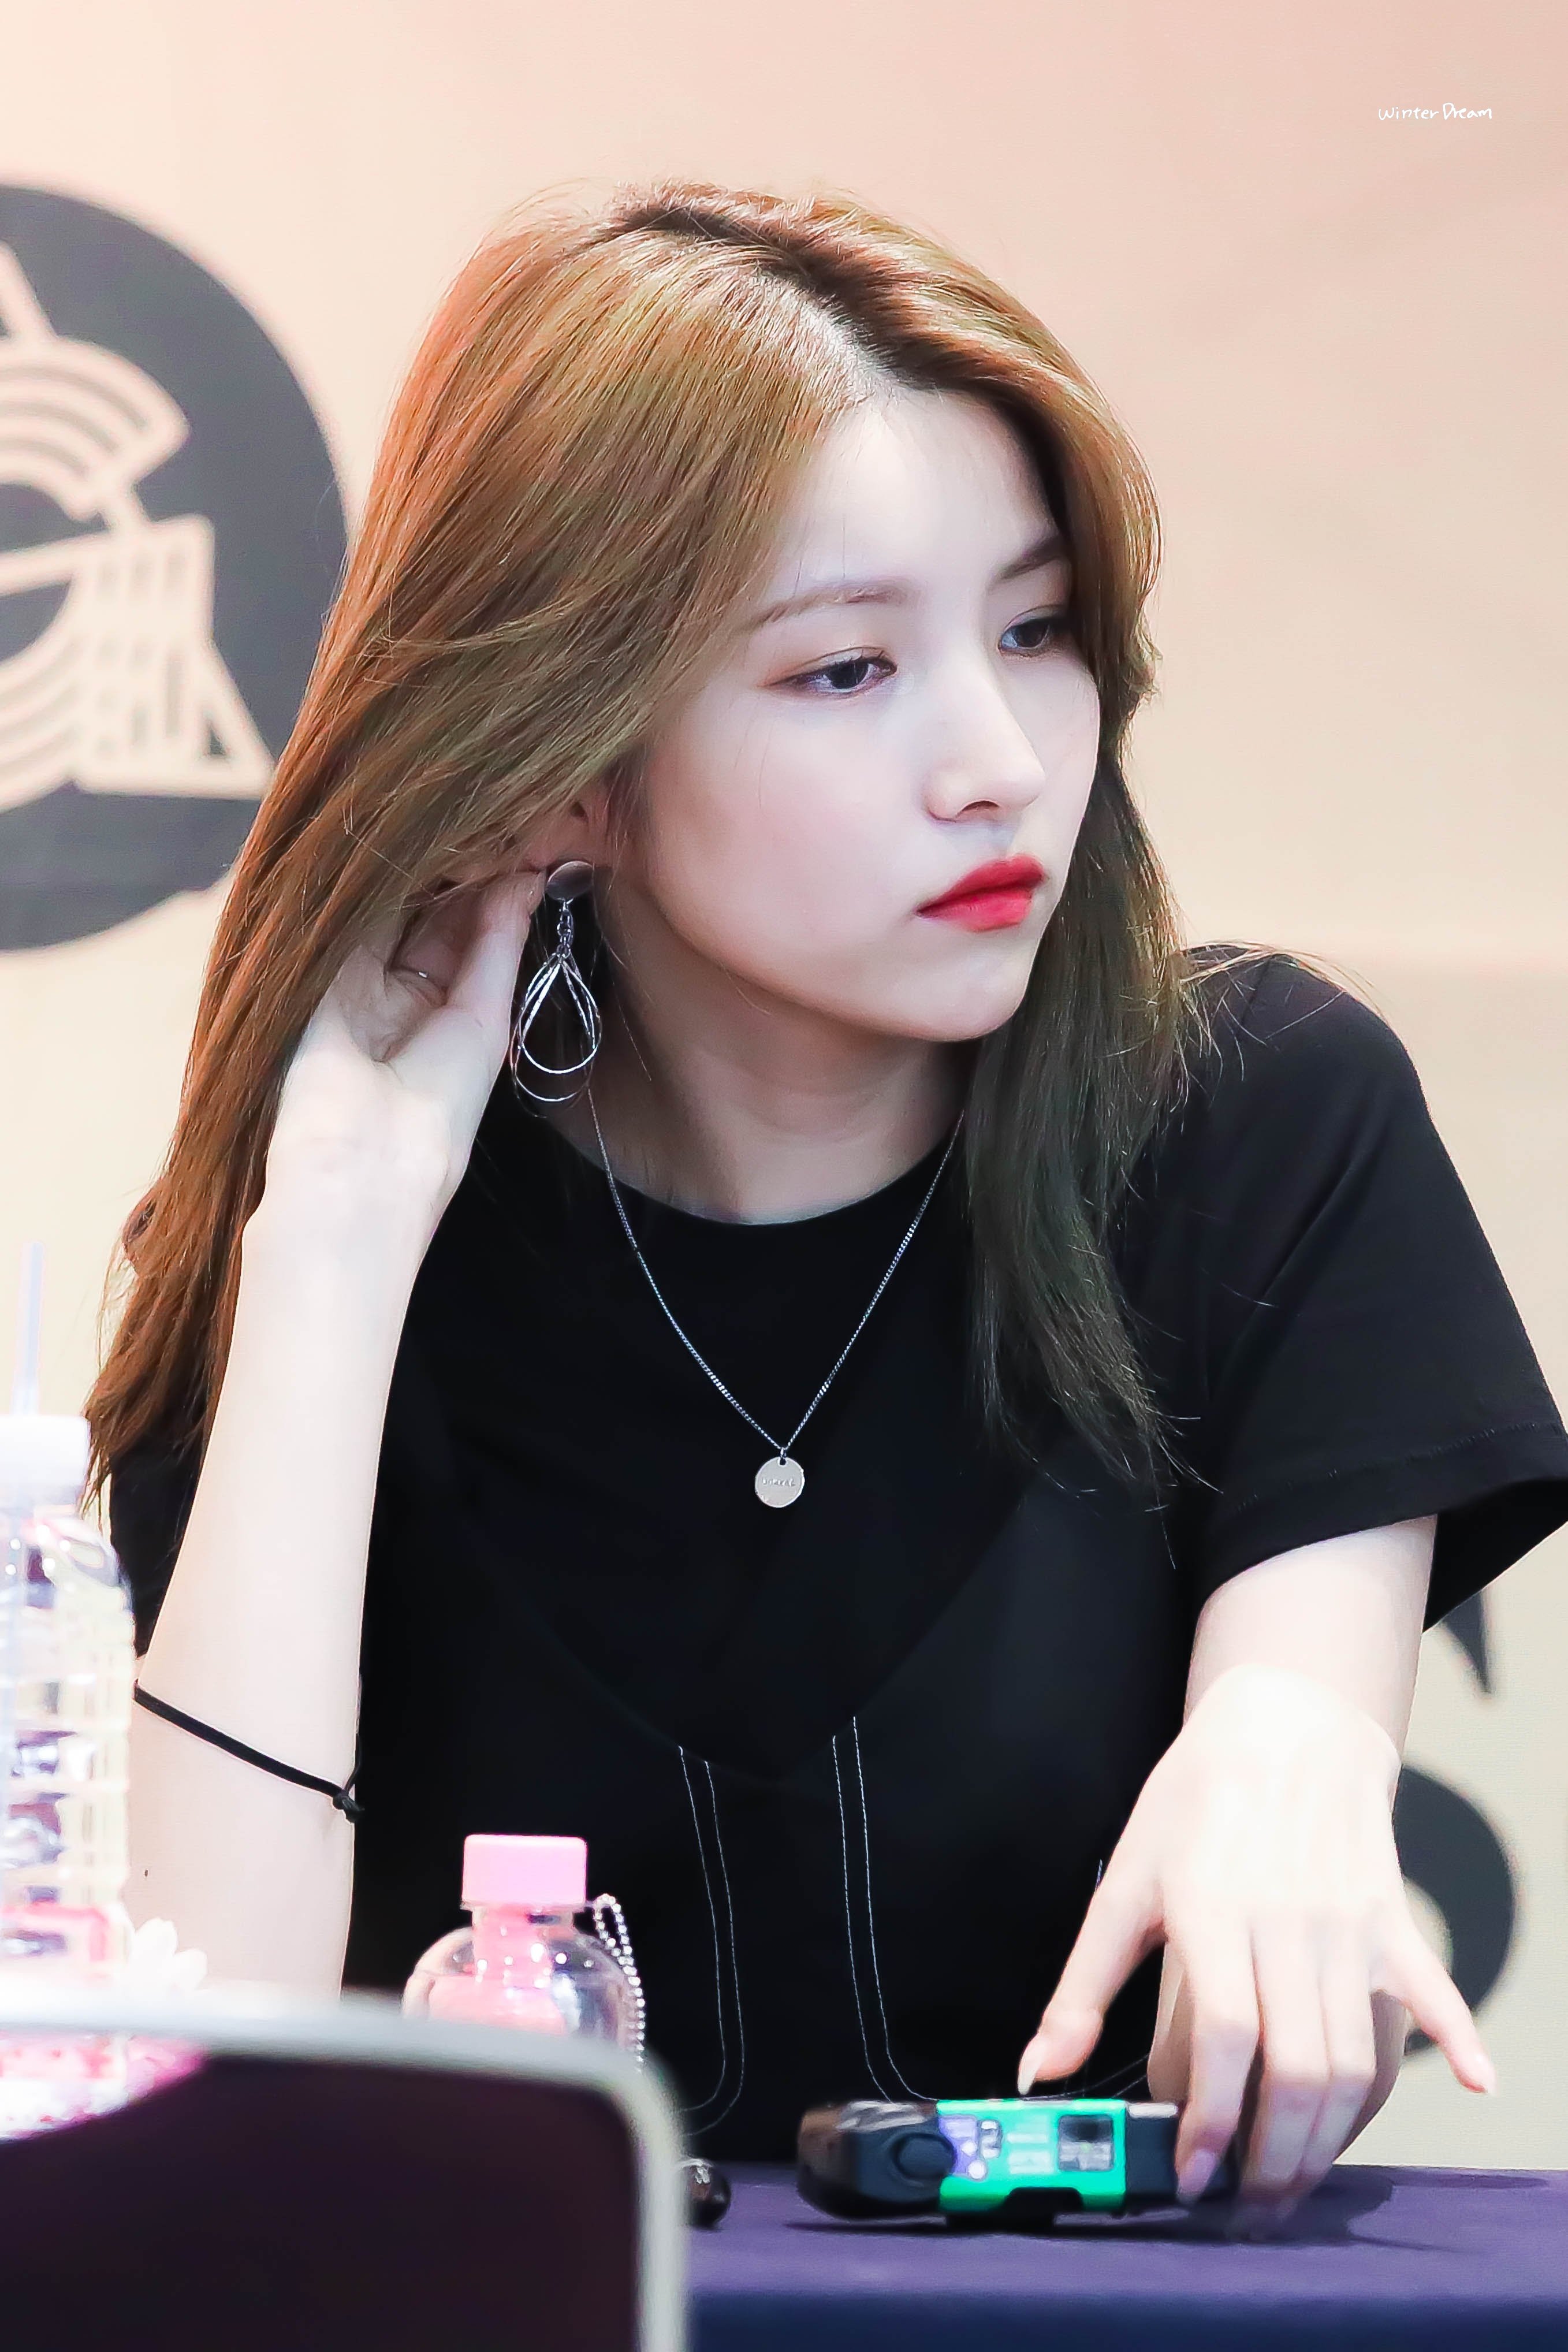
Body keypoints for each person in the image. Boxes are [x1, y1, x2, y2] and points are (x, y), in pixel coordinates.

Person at [94, 181, 1568, 2215]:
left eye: (1034, 631)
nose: (997, 761)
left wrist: (1290, 1757)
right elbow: (190, 2093)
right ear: (565, 761)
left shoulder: (1252, 1124)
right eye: (848, 670)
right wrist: (338, 1229)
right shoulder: (355, 1244)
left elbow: (1291, 1761)